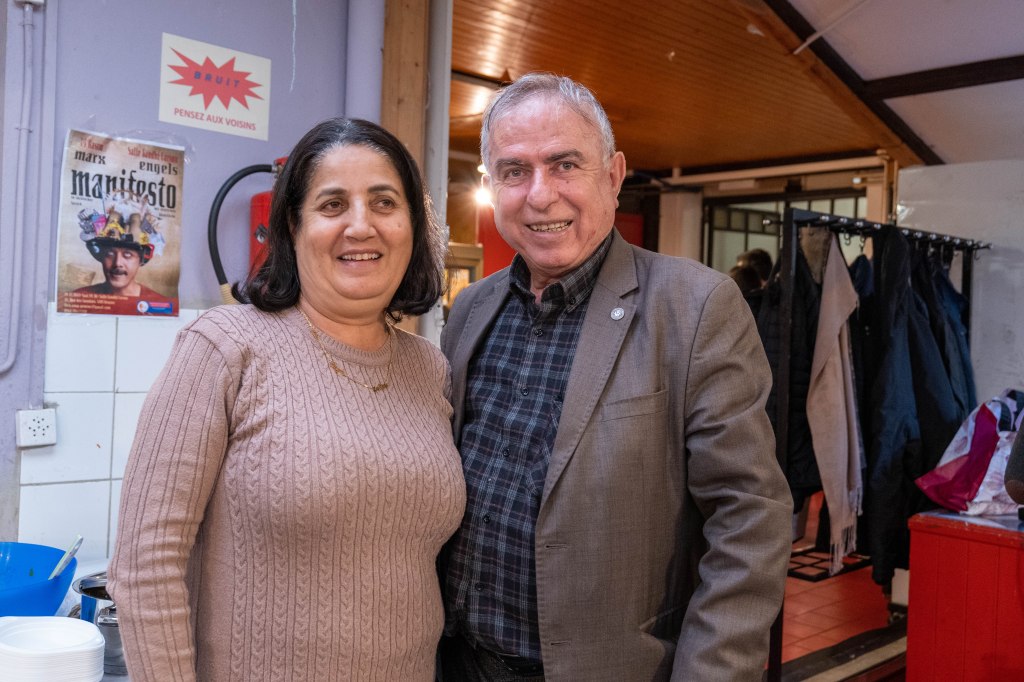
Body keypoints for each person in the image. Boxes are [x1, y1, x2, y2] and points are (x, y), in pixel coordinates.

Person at [438, 73, 792, 681]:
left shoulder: (694, 307)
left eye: (564, 164)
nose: (540, 195)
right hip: (459, 661)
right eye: (514, 171)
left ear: (613, 173)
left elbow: (749, 520)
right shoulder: (472, 309)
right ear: (492, 186)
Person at [108, 118, 466, 681]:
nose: (361, 225)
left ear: (412, 227)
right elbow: (145, 565)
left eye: (384, 202)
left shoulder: (430, 369)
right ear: (293, 226)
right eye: (332, 205)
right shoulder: (224, 347)